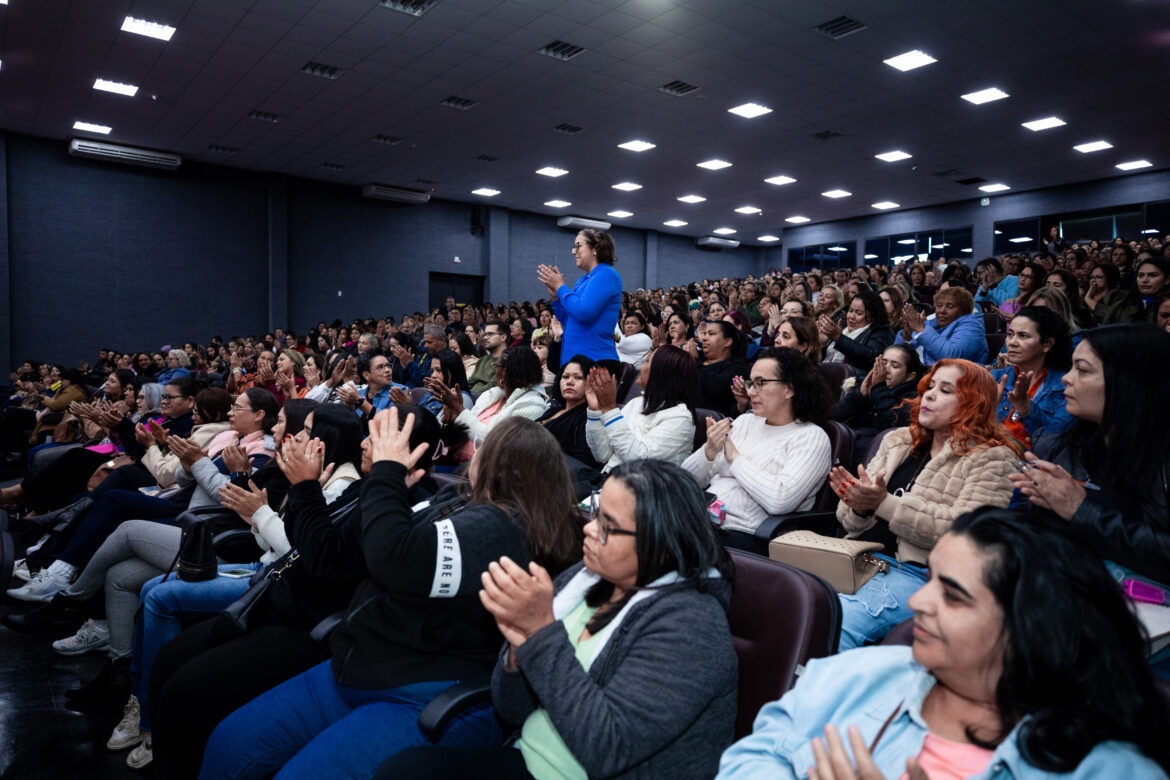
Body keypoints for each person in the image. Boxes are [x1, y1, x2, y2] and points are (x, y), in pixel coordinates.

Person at [197, 412, 583, 780]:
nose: (472, 455)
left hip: (412, 691)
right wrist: (386, 482)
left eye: (482, 448)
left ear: (505, 466)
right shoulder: (460, 501)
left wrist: (387, 473)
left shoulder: (502, 527)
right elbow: (358, 549)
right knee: (228, 745)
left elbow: (392, 558)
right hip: (355, 663)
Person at [716, 507, 1170, 780]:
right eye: (930, 580)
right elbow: (752, 758)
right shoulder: (857, 674)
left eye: (953, 595)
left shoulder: (1107, 769)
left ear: (1029, 626)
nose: (918, 601)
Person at [376, 459, 737, 780]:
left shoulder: (694, 626)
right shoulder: (586, 578)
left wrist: (541, 634)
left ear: (661, 542)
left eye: (608, 526)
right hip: (526, 758)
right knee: (404, 769)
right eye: (595, 514)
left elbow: (607, 750)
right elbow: (511, 711)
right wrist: (518, 651)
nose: (589, 530)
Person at [828, 359, 1019, 649]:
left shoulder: (993, 458)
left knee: (834, 622)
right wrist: (860, 505)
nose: (929, 395)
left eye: (945, 390)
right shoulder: (898, 440)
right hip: (854, 557)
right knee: (790, 602)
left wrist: (882, 504)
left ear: (973, 402)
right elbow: (846, 517)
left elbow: (968, 534)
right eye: (929, 387)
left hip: (919, 575)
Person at [1009, 324, 1170, 658]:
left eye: (1082, 370)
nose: (1066, 379)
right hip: (1059, 593)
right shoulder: (1067, 445)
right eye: (1070, 367)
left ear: (1130, 383)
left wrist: (1081, 510)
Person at [685, 348, 833, 550]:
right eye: (751, 383)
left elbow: (779, 501)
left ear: (789, 389)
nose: (751, 392)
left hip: (744, 534)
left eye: (760, 383)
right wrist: (709, 451)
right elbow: (686, 480)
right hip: (700, 520)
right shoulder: (746, 421)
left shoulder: (811, 437)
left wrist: (735, 458)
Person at [585, 346, 697, 473]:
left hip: (641, 489)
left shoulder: (681, 418)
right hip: (610, 480)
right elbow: (602, 455)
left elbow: (637, 461)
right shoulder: (636, 403)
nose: (641, 366)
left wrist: (610, 409)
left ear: (661, 372)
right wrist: (594, 411)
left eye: (647, 361)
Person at [990, 306, 1075, 449]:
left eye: (1023, 336)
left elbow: (1055, 442)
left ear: (1047, 344)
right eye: (1010, 334)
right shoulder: (995, 378)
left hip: (1031, 463)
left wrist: (1026, 410)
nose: (1012, 342)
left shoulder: (1065, 387)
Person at [537, 228, 622, 368]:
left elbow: (584, 313)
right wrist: (555, 298)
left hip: (595, 360)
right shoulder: (582, 281)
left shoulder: (606, 274)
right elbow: (568, 320)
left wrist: (560, 287)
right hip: (574, 360)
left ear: (595, 248)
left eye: (578, 246)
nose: (573, 251)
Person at [439, 346, 550, 446]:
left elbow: (492, 440)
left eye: (496, 365)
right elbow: (467, 429)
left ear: (505, 373)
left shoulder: (532, 407)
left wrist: (459, 409)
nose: (494, 370)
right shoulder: (490, 395)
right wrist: (452, 418)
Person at [833, 344, 924, 464]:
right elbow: (832, 416)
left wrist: (879, 389)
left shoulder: (912, 399)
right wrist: (859, 396)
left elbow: (892, 423)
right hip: (848, 447)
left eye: (894, 365)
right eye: (883, 363)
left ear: (909, 376)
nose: (886, 369)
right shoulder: (866, 385)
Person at [536, 355, 602, 474]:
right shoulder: (553, 410)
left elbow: (583, 463)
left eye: (578, 378)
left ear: (591, 383)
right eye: (565, 377)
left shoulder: (588, 418)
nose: (569, 382)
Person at [897, 286, 988, 365]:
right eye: (939, 306)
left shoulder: (973, 327)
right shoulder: (930, 323)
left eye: (950, 306)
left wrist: (921, 330)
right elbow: (896, 355)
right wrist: (907, 335)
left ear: (964, 311)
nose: (942, 311)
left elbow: (951, 357)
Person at [819, 289, 895, 375]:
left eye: (858, 313)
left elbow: (871, 358)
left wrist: (838, 338)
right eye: (850, 311)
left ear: (872, 317)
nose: (851, 316)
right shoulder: (844, 330)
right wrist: (822, 345)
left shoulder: (882, 332)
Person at [696, 321, 750, 418]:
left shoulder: (738, 367)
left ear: (727, 341)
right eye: (704, 334)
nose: (704, 338)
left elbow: (721, 389)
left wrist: (692, 363)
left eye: (711, 334)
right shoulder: (698, 361)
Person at [467, 321, 509, 394]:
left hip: (488, 398)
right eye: (485, 334)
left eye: (490, 334)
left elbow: (492, 386)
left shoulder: (508, 360)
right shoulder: (482, 360)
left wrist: (470, 395)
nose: (485, 337)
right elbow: (470, 382)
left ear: (503, 337)